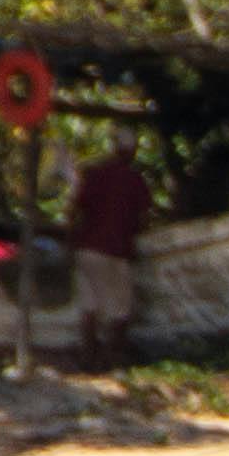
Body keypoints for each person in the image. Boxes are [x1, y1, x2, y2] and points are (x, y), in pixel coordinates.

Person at [62, 135, 151, 374]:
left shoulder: (95, 175)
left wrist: (71, 242)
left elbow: (72, 211)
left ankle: (88, 358)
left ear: (114, 149)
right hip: (116, 250)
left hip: (88, 248)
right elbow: (143, 218)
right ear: (131, 153)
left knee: (89, 305)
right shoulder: (135, 180)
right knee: (120, 309)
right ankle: (113, 359)